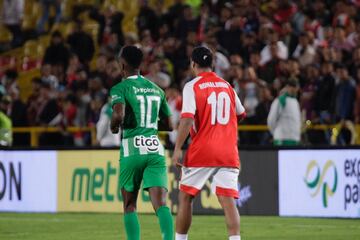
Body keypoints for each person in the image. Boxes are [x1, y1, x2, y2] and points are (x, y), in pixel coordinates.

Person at [172, 46, 246, 240]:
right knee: (228, 200)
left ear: (193, 64)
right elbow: (241, 114)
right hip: (228, 151)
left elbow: (187, 119)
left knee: (186, 197)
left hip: (202, 150)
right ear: (212, 64)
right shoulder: (227, 86)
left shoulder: (192, 86)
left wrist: (178, 148)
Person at [110, 46, 174, 240]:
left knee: (130, 204)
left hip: (132, 149)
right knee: (161, 204)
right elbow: (170, 125)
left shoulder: (120, 88)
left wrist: (114, 127)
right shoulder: (157, 89)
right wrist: (149, 124)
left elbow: (118, 115)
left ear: (122, 65)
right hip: (155, 148)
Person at [267, 78, 301, 145]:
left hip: (294, 139)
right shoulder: (281, 100)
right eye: (293, 87)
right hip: (282, 139)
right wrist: (275, 133)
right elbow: (271, 119)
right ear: (288, 87)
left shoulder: (295, 102)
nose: (295, 90)